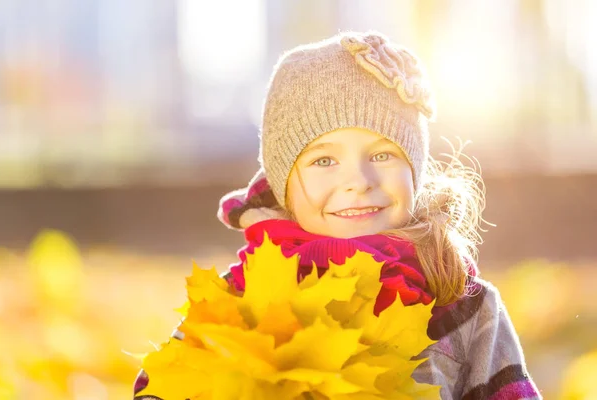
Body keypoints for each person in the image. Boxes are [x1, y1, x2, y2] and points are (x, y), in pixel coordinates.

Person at [134, 31, 541, 400]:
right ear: (283, 185)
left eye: (383, 155)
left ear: (414, 169)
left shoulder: (463, 302)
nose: (358, 181)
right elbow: (163, 386)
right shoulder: (240, 298)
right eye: (324, 160)